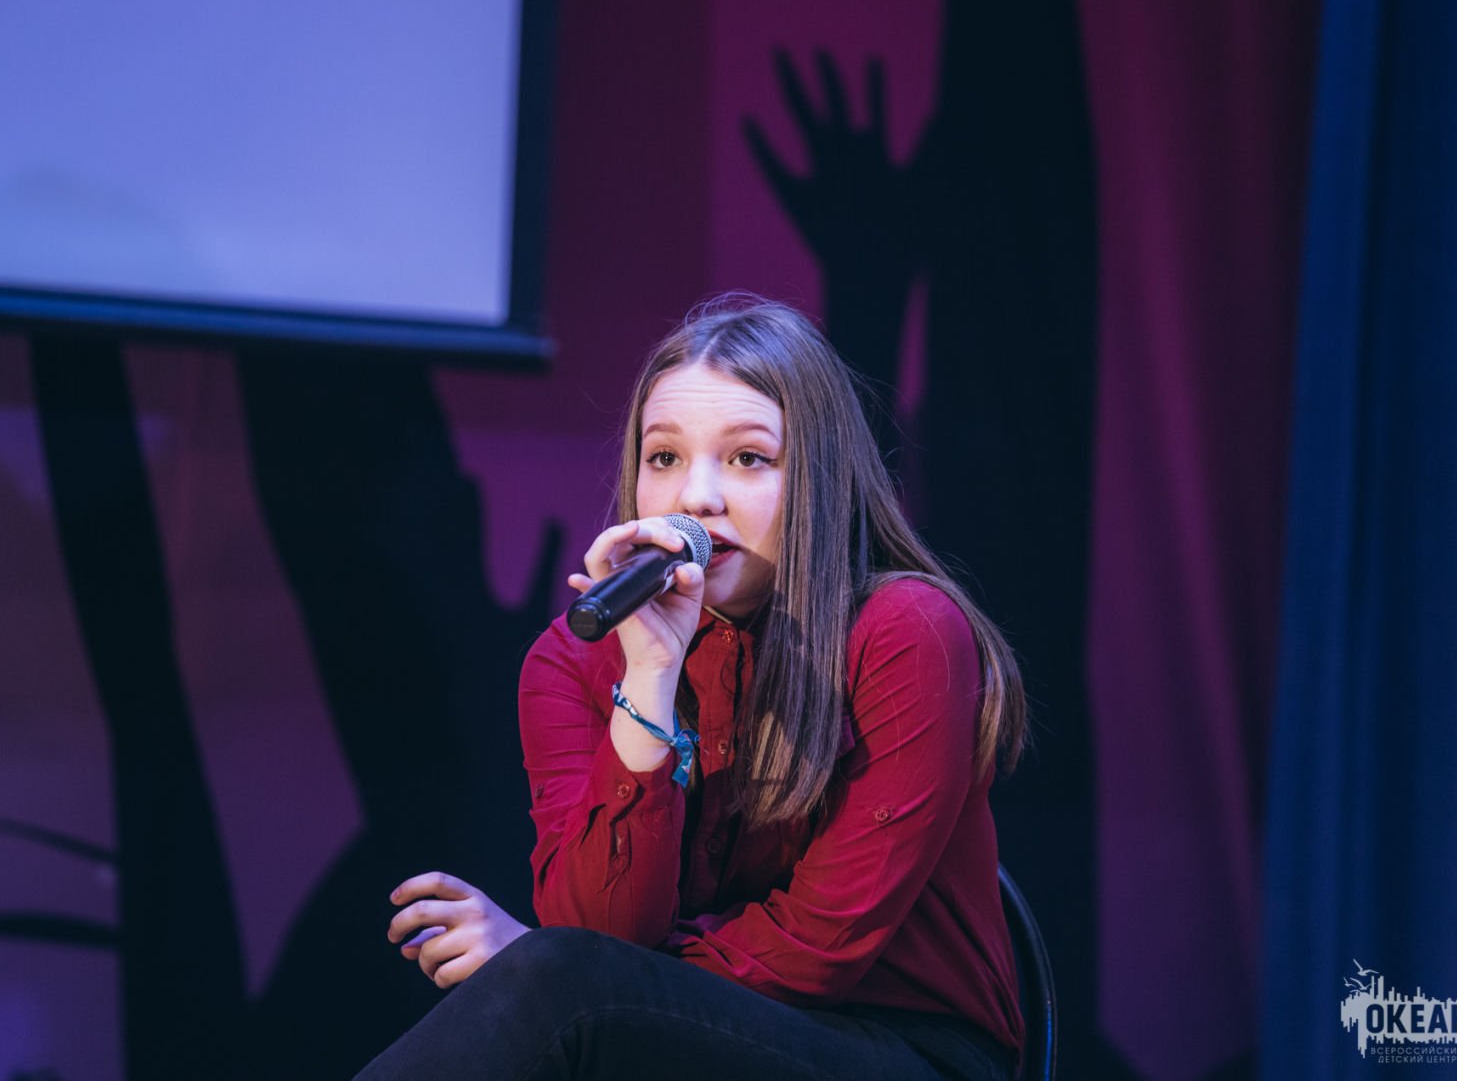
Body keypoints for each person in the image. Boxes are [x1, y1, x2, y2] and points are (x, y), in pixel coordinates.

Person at [354, 296, 1028, 1080]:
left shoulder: (907, 631)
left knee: (557, 983)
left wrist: (555, 963)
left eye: (748, 458)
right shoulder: (573, 660)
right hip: (680, 1038)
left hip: (902, 1048)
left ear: (820, 477)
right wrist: (650, 673)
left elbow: (819, 947)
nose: (695, 497)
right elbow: (603, 930)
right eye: (665, 457)